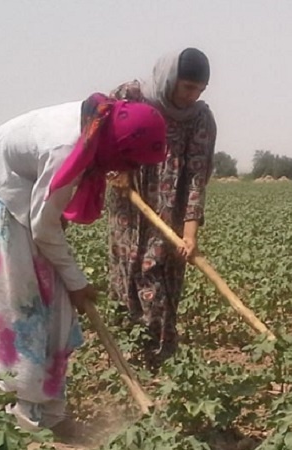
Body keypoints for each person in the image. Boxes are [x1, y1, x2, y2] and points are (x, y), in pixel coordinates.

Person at [0, 92, 167, 438]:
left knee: (55, 301)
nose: (128, 171)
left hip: (27, 193)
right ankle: (25, 416)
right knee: (22, 304)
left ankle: (52, 411)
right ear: (118, 146)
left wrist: (71, 281)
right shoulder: (66, 147)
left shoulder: (97, 127)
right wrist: (78, 281)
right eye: (130, 162)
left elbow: (48, 217)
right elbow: (43, 226)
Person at [106, 48, 217, 369]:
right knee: (126, 275)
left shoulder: (199, 118)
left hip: (169, 213)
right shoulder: (129, 97)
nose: (192, 96)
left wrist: (191, 231)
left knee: (156, 278)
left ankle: (158, 360)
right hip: (129, 206)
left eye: (199, 90)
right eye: (187, 87)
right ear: (170, 79)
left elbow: (197, 175)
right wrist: (120, 168)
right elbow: (101, 134)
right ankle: (125, 358)